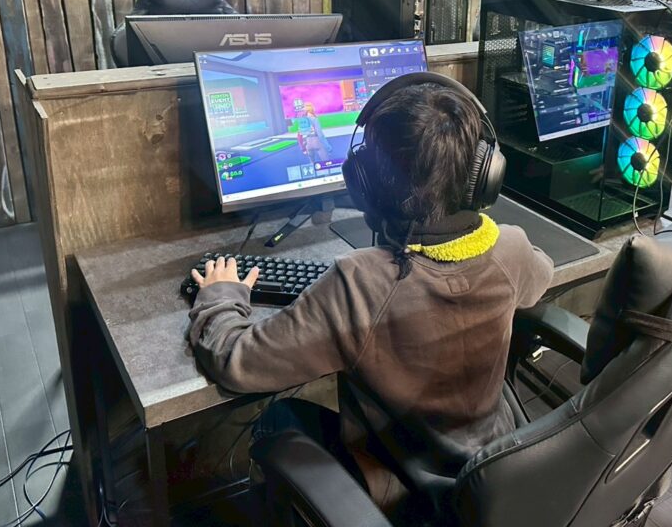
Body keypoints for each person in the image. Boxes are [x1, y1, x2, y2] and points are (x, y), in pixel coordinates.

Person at [187, 79, 554, 516]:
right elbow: (541, 274)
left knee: (279, 417)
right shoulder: (511, 249)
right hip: (494, 472)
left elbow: (235, 361)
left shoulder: (359, 282)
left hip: (404, 490)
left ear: (364, 185)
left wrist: (221, 293)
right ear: (484, 176)